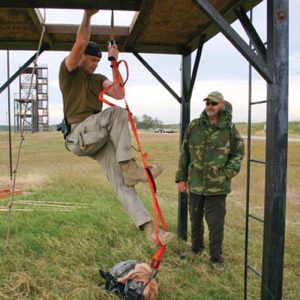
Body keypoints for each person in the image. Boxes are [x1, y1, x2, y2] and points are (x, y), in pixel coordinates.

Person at [59, 9, 175, 247]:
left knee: (123, 184)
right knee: (116, 114)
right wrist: (88, 16)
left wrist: (113, 62)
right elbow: (81, 42)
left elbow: (119, 93)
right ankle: (130, 166)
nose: (94, 64)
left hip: (95, 138)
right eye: (92, 60)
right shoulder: (69, 72)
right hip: (78, 134)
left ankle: (150, 230)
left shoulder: (97, 76)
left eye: (97, 61)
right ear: (81, 57)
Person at [175, 91, 244, 270]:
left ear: (222, 104)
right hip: (196, 184)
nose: (210, 106)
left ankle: (216, 258)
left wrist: (227, 172)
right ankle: (196, 249)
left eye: (213, 103)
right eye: (207, 103)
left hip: (217, 187)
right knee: (195, 219)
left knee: (215, 223)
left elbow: (238, 152)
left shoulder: (229, 128)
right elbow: (185, 152)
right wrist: (181, 178)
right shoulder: (194, 126)